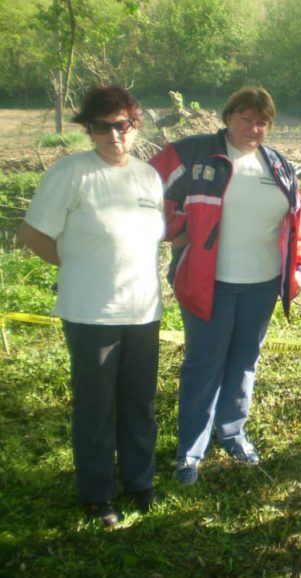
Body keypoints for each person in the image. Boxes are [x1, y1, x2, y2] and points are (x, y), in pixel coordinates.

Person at [17, 86, 164, 526]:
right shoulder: (71, 173)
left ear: (135, 127)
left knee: (139, 402)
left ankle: (139, 483)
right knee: (96, 407)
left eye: (122, 125)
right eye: (103, 126)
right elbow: (32, 234)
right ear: (90, 129)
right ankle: (98, 494)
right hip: (90, 313)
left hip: (143, 312)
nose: (114, 135)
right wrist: (78, 264)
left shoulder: (148, 177)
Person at [150, 86, 301, 485]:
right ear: (229, 116)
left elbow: (297, 222)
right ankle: (190, 450)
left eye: (262, 121)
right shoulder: (195, 152)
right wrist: (174, 228)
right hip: (210, 282)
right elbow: (147, 185)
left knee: (244, 361)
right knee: (204, 365)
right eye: (245, 118)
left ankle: (233, 432)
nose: (253, 127)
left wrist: (299, 267)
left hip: (262, 283)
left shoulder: (279, 166)